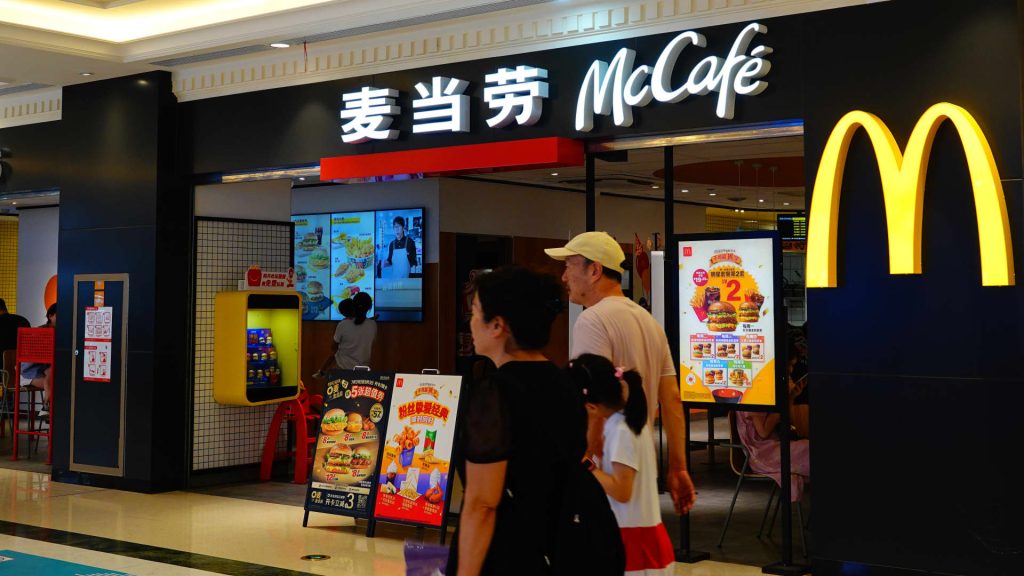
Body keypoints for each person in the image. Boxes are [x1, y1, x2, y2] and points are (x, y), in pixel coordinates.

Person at [448, 265, 597, 575]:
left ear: (497, 325)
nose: (471, 321)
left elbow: (483, 503)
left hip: (505, 553)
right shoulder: (565, 384)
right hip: (555, 548)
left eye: (476, 312)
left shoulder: (495, 394)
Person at [546, 231, 696, 515]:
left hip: (608, 472)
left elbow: (591, 403)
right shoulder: (649, 322)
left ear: (594, 270)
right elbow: (672, 399)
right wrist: (678, 467)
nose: (564, 277)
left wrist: (582, 462)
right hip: (640, 464)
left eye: (569, 266)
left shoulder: (592, 320)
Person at [568, 354, 675, 576]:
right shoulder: (627, 423)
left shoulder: (621, 430)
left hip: (636, 548)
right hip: (640, 543)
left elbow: (622, 490)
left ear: (591, 406)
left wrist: (587, 465)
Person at [735, 368, 811, 502]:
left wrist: (791, 397)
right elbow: (763, 432)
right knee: (808, 448)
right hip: (762, 454)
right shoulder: (752, 397)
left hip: (775, 446)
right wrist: (784, 401)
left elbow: (791, 423)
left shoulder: (768, 395)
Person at [312, 292, 377, 377]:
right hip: (362, 372)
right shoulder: (373, 325)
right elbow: (362, 324)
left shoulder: (343, 324)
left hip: (342, 370)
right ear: (369, 307)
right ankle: (321, 372)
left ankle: (321, 372)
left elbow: (333, 347)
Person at [20, 304, 56, 410]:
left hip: (44, 369)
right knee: (55, 382)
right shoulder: (39, 332)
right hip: (28, 371)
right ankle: (47, 409)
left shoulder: (61, 333)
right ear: (50, 316)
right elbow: (31, 356)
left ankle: (46, 409)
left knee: (53, 373)